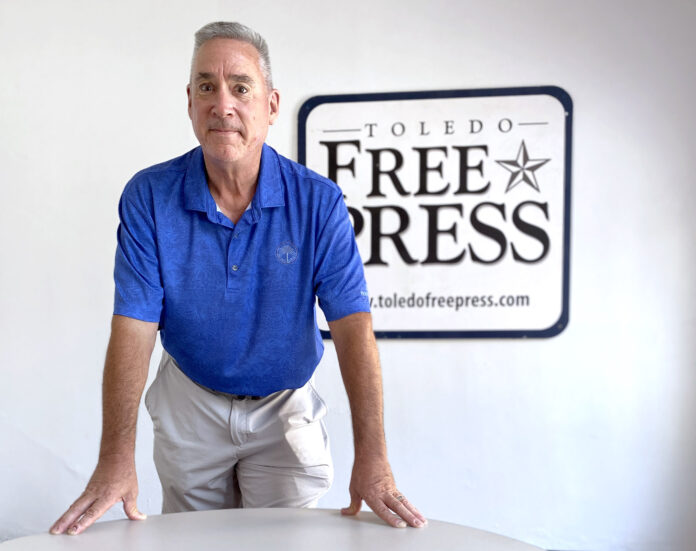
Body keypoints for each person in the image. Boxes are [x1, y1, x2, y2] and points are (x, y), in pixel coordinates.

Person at [50, 21, 425, 536]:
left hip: (283, 405)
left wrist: (374, 460)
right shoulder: (149, 197)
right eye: (206, 86)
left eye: (240, 87)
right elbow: (133, 327)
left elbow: (352, 326)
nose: (222, 103)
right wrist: (116, 458)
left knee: (286, 543)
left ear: (271, 106)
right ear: (189, 102)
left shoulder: (317, 202)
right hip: (191, 399)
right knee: (192, 543)